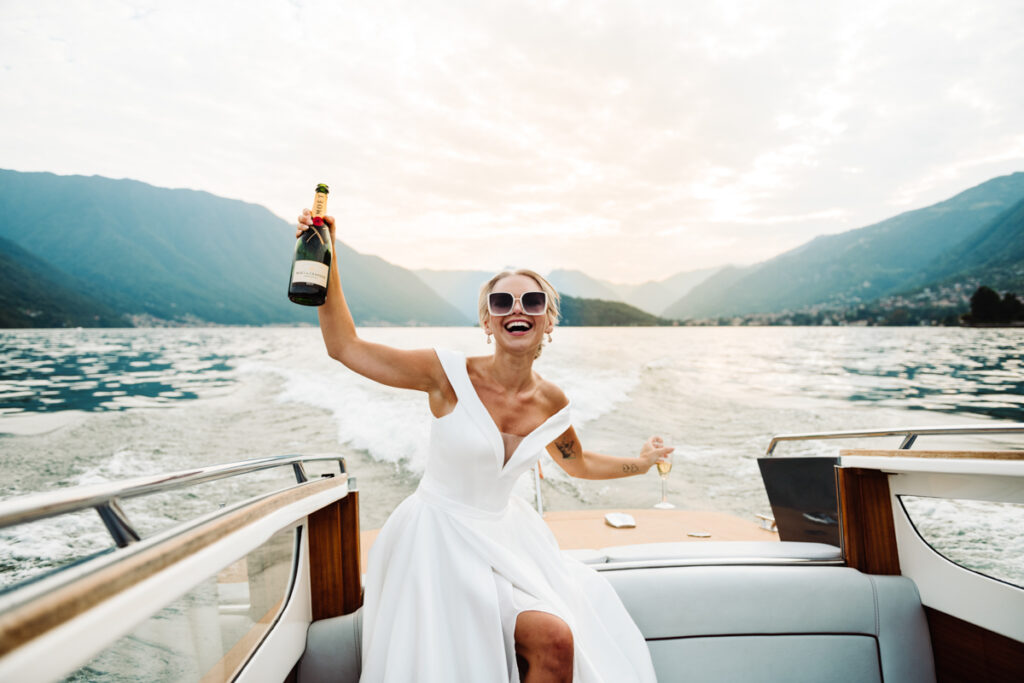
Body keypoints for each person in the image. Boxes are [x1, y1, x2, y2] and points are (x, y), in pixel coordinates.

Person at [297, 209, 671, 682]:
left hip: (506, 543)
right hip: (436, 542)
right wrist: (326, 257)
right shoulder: (445, 374)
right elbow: (345, 346)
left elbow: (579, 464)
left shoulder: (552, 402)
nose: (517, 309)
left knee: (558, 640)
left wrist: (642, 464)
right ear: (487, 321)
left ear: (549, 321)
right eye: (502, 302)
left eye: (532, 301)